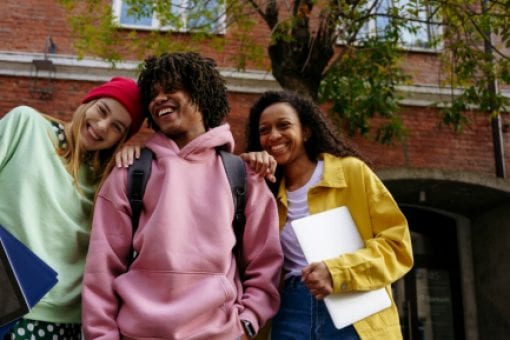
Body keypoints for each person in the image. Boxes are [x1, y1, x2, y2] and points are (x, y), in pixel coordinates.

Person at [81, 52, 283, 340]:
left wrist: (248, 320)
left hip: (219, 334)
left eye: (171, 89)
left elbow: (265, 262)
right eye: (153, 94)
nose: (159, 98)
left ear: (200, 93)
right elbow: (102, 268)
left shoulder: (243, 175)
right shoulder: (130, 173)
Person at [241, 90, 414, 339]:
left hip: (354, 310)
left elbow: (398, 246)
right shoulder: (263, 191)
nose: (274, 135)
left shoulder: (351, 173)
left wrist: (337, 272)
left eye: (284, 125)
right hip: (290, 312)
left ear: (306, 132)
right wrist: (242, 170)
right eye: (264, 130)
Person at [0, 77, 145, 339]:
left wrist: (140, 158)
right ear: (89, 101)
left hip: (64, 322)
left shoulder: (109, 179)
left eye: (117, 127)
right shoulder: (26, 125)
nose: (101, 127)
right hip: (4, 301)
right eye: (102, 110)